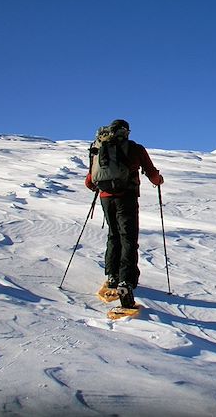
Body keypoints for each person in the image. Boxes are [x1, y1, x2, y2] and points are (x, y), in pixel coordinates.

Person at [84, 119, 163, 309]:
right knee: (128, 237)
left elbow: (89, 181)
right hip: (126, 197)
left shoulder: (99, 147)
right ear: (127, 132)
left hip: (105, 198)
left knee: (113, 235)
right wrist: (158, 180)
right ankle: (126, 282)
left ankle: (112, 276)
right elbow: (152, 173)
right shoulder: (135, 149)